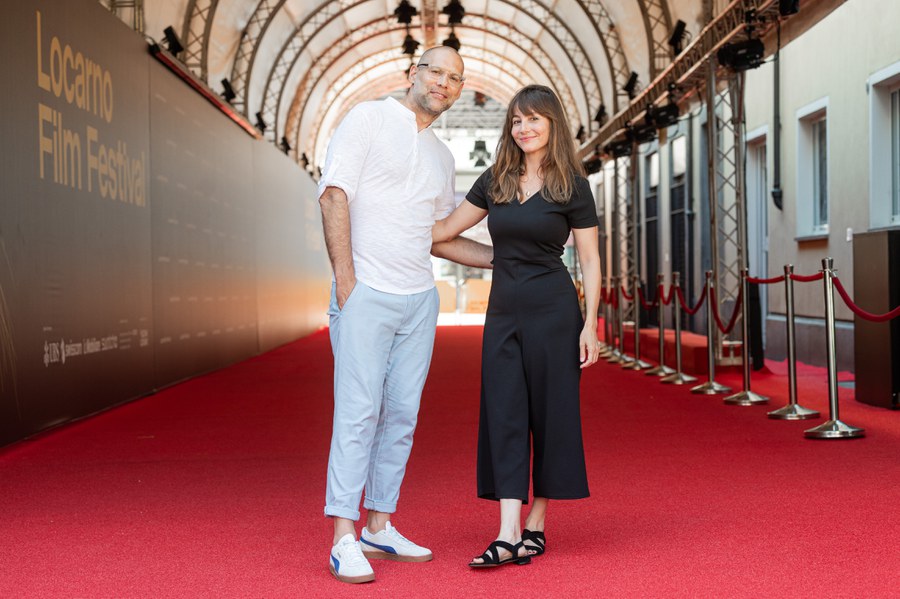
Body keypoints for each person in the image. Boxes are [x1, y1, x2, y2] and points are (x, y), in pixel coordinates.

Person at [317, 47, 492, 584]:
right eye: (435, 72)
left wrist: (508, 258)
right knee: (358, 412)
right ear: (412, 73)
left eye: (455, 79)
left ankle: (379, 523)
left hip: (420, 298)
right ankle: (343, 536)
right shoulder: (369, 117)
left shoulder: (441, 156)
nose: (443, 83)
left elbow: (439, 237)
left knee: (402, 417)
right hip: (367, 291)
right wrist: (348, 284)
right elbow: (333, 196)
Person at [432, 84, 602, 568]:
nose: (523, 128)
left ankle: (534, 526)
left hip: (555, 311)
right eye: (516, 120)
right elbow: (443, 234)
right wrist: (389, 226)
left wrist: (590, 325)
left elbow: (589, 258)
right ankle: (506, 531)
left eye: (533, 119)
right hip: (503, 313)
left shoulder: (572, 184)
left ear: (552, 124)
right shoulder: (496, 178)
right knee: (504, 412)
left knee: (551, 415)